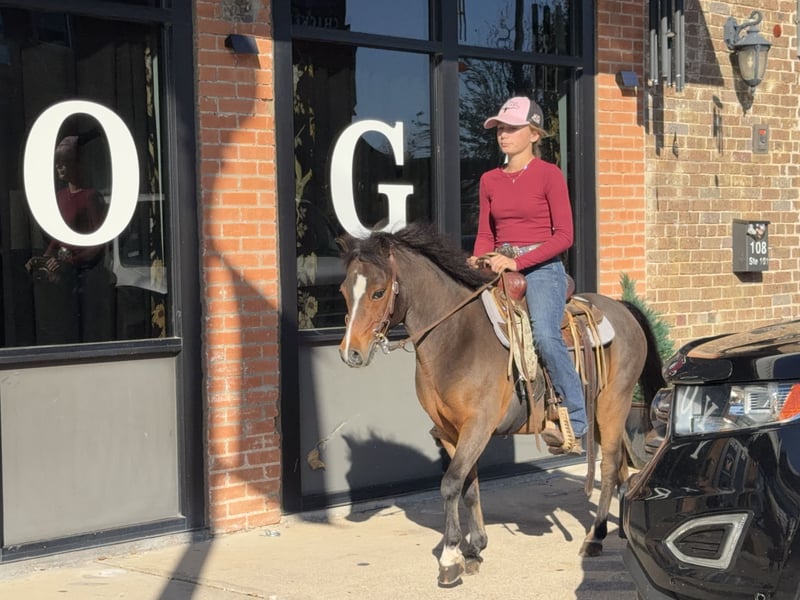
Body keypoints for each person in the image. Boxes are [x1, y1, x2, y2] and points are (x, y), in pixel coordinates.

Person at [467, 95, 586, 454]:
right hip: (498, 265)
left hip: (542, 269)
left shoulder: (549, 175)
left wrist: (518, 262)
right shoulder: (489, 180)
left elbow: (564, 236)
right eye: (500, 129)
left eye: (512, 128)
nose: (503, 135)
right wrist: (479, 258)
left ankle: (575, 418)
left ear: (534, 134)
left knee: (546, 336)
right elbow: (486, 232)